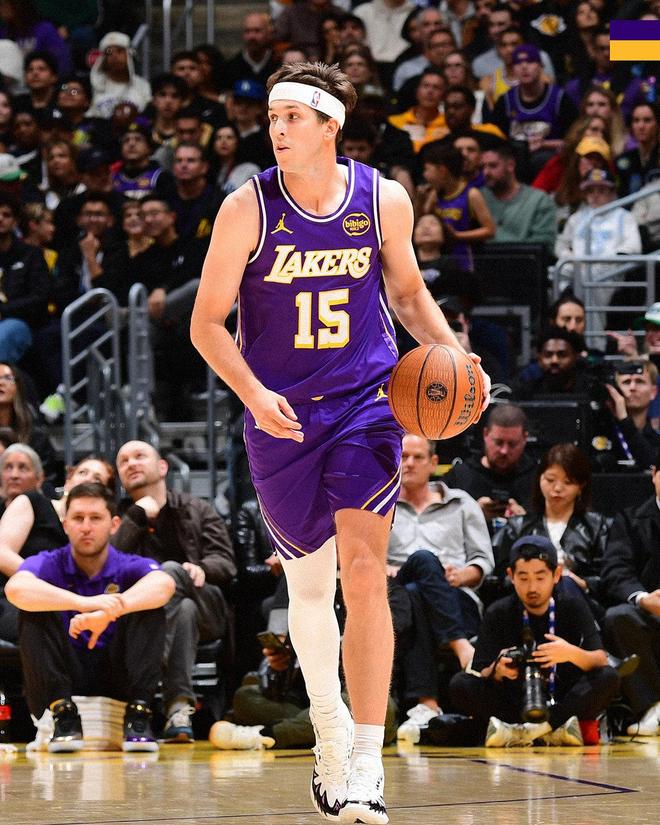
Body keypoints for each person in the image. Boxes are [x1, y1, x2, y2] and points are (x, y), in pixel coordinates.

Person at [190, 60, 489, 825]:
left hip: (365, 402)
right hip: (281, 415)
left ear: (331, 125)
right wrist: (253, 393)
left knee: (364, 573)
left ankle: (366, 759)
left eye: (292, 116)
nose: (277, 128)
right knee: (308, 589)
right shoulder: (246, 207)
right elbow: (206, 323)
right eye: (272, 116)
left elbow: (408, 293)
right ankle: (326, 722)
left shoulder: (381, 198)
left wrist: (457, 358)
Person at [4, 481, 175, 753]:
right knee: (31, 606)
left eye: (95, 518)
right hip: (63, 673)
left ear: (114, 524)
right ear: (65, 524)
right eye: (78, 518)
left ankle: (139, 714)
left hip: (117, 672)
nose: (86, 527)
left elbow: (164, 584)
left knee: (149, 604)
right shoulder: (50, 561)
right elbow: (15, 588)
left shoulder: (127, 563)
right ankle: (63, 714)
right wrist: (85, 604)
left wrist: (111, 611)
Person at [113, 440, 237, 744]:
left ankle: (142, 696)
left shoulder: (197, 508)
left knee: (168, 573)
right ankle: (178, 709)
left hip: (205, 603)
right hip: (149, 616)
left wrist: (203, 568)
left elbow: (227, 563)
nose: (131, 463)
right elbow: (110, 567)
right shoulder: (120, 516)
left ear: (162, 467)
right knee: (183, 611)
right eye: (124, 461)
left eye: (139, 456)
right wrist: (135, 517)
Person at [449, 534, 620, 746]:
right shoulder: (498, 612)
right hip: (515, 702)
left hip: (562, 700)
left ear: (556, 574)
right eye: (523, 578)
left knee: (609, 677)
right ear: (511, 576)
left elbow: (600, 659)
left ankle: (527, 732)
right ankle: (549, 732)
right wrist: (497, 670)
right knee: (460, 684)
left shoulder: (572, 605)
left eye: (540, 578)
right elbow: (480, 671)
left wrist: (570, 653)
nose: (532, 588)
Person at [388, 434, 493, 741]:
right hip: (396, 590)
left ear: (433, 463)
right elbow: (362, 554)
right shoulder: (380, 505)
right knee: (422, 561)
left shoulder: (461, 503)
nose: (409, 463)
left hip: (453, 595)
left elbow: (483, 561)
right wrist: (382, 568)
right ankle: (461, 646)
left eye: (417, 457)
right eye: (403, 456)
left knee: (419, 592)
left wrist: (462, 575)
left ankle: (427, 704)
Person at [0, 455, 114, 644]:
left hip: (68, 607)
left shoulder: (94, 531)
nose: (87, 479)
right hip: (12, 599)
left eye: (97, 478)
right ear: (68, 480)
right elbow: (2, 553)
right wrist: (49, 586)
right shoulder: (34, 502)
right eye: (82, 472)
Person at [492, 443, 610, 618]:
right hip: (526, 601)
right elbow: (501, 576)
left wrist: (583, 583)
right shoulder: (517, 526)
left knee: (565, 583)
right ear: (539, 479)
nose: (557, 488)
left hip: (580, 603)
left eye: (568, 482)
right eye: (550, 480)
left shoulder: (597, 526)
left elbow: (608, 576)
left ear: (581, 486)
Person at [602, 453, 660, 735]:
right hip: (648, 612)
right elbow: (616, 569)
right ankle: (653, 708)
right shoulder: (630, 519)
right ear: (655, 474)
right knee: (618, 617)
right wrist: (643, 599)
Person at [555, 168, 642, 350]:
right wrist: (569, 256)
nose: (595, 195)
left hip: (610, 270)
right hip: (578, 267)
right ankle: (561, 333)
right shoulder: (576, 218)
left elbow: (633, 247)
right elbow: (561, 244)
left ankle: (594, 344)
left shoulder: (623, 217)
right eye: (590, 191)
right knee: (561, 270)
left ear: (612, 192)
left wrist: (608, 261)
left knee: (590, 278)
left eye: (601, 190)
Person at [444, 403, 536, 528]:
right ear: (485, 434)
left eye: (512, 444)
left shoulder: (538, 479)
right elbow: (438, 525)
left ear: (525, 438)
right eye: (498, 442)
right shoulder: (460, 476)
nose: (504, 451)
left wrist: (525, 522)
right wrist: (472, 514)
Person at [481, 142, 557, 255]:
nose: (486, 172)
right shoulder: (478, 198)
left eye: (493, 166)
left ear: (510, 165)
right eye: (482, 167)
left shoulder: (539, 200)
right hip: (482, 263)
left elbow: (544, 245)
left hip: (525, 263)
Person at [222, 12, 278, 92]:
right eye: (247, 31)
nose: (251, 36)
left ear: (268, 33)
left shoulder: (278, 64)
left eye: (257, 31)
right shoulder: (232, 67)